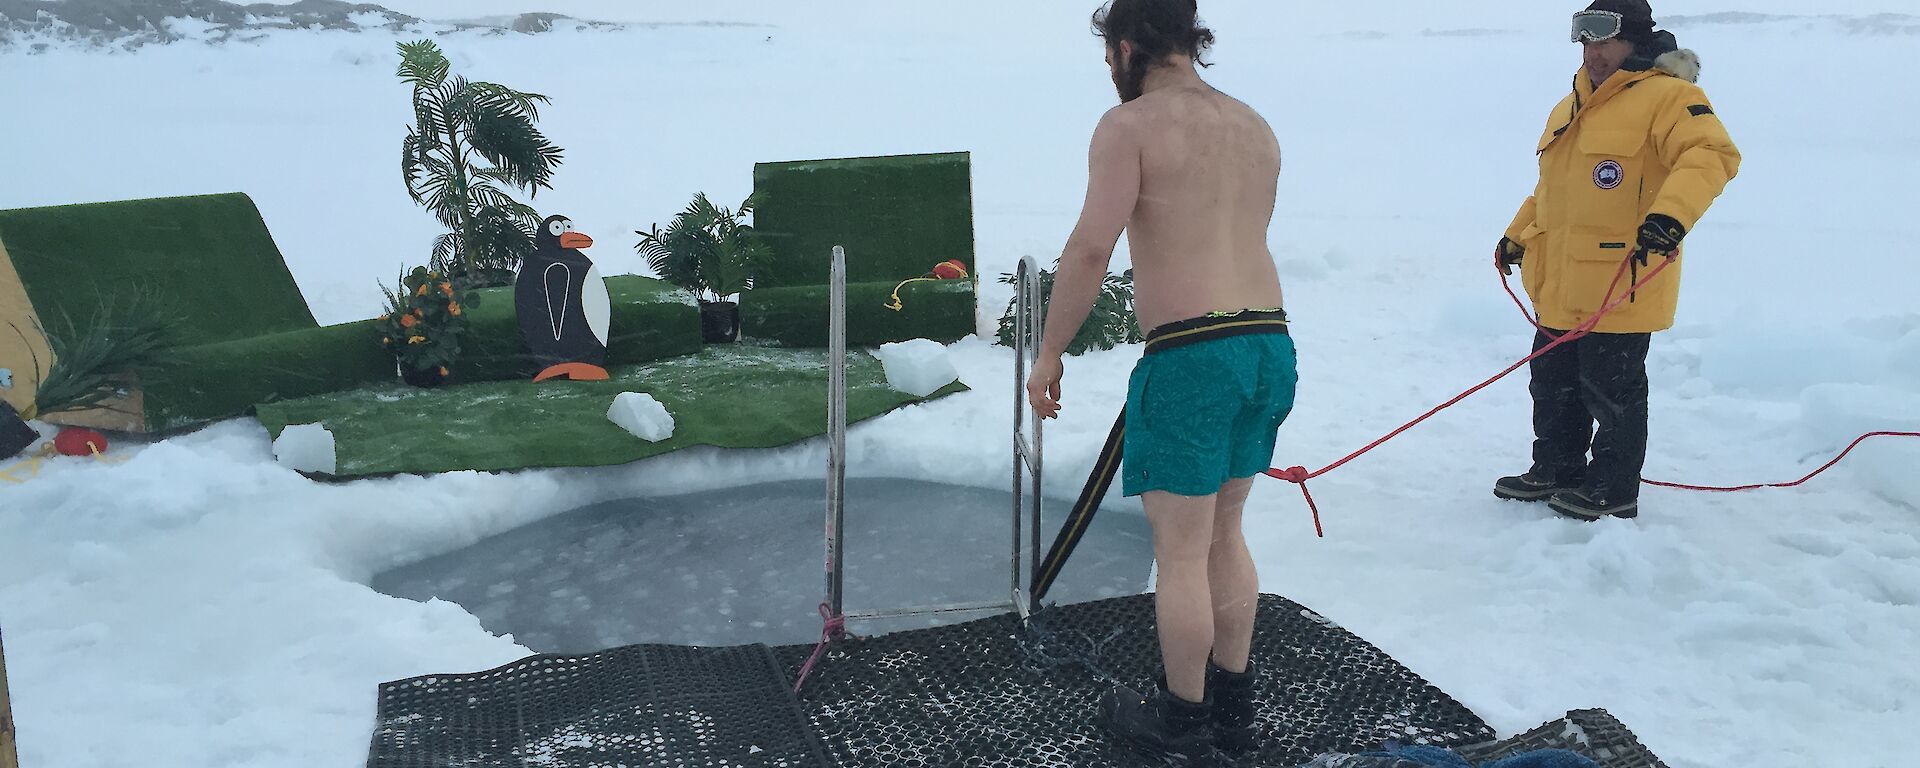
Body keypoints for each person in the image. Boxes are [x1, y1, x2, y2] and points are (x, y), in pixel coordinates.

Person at [1024, 0, 1295, 761]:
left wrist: (1049, 353)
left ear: (1129, 45)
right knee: (1226, 531)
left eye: (1109, 53)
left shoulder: (1132, 125)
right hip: (1269, 345)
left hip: (1192, 354)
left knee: (1180, 551)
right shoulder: (1253, 126)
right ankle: (1234, 713)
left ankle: (1182, 722)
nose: (1110, 69)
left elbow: (1088, 251)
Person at [1494, 0, 1740, 521]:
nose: (1593, 52)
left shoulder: (1671, 98)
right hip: (1559, 281)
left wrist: (1669, 218)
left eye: (1604, 40)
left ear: (1635, 40)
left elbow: (1711, 156)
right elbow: (1551, 191)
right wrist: (1516, 235)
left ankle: (1612, 487)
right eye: (1585, 40)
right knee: (1552, 385)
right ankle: (1557, 469)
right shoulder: (1571, 105)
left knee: (1612, 393)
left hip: (1621, 281)